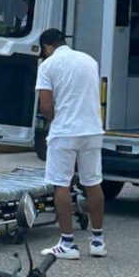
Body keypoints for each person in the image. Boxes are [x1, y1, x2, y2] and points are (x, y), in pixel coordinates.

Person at [35, 28, 106, 260]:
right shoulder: (90, 61)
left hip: (65, 132)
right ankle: (97, 241)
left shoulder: (48, 66)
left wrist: (56, 121)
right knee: (93, 183)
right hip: (93, 129)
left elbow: (45, 106)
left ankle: (67, 243)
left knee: (61, 185)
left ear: (47, 47)